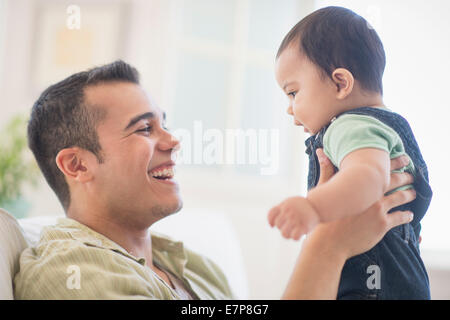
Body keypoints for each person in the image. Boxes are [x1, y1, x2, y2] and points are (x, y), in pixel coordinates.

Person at [14, 61, 416, 300]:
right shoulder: (74, 272)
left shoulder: (196, 268)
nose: (172, 140)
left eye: (165, 124)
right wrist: (329, 245)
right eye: (143, 130)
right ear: (77, 165)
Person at [268, 6, 433, 299]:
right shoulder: (385, 126)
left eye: (293, 92)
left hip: (372, 286)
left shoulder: (350, 126)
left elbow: (369, 177)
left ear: (340, 83)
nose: (290, 108)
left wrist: (314, 208)